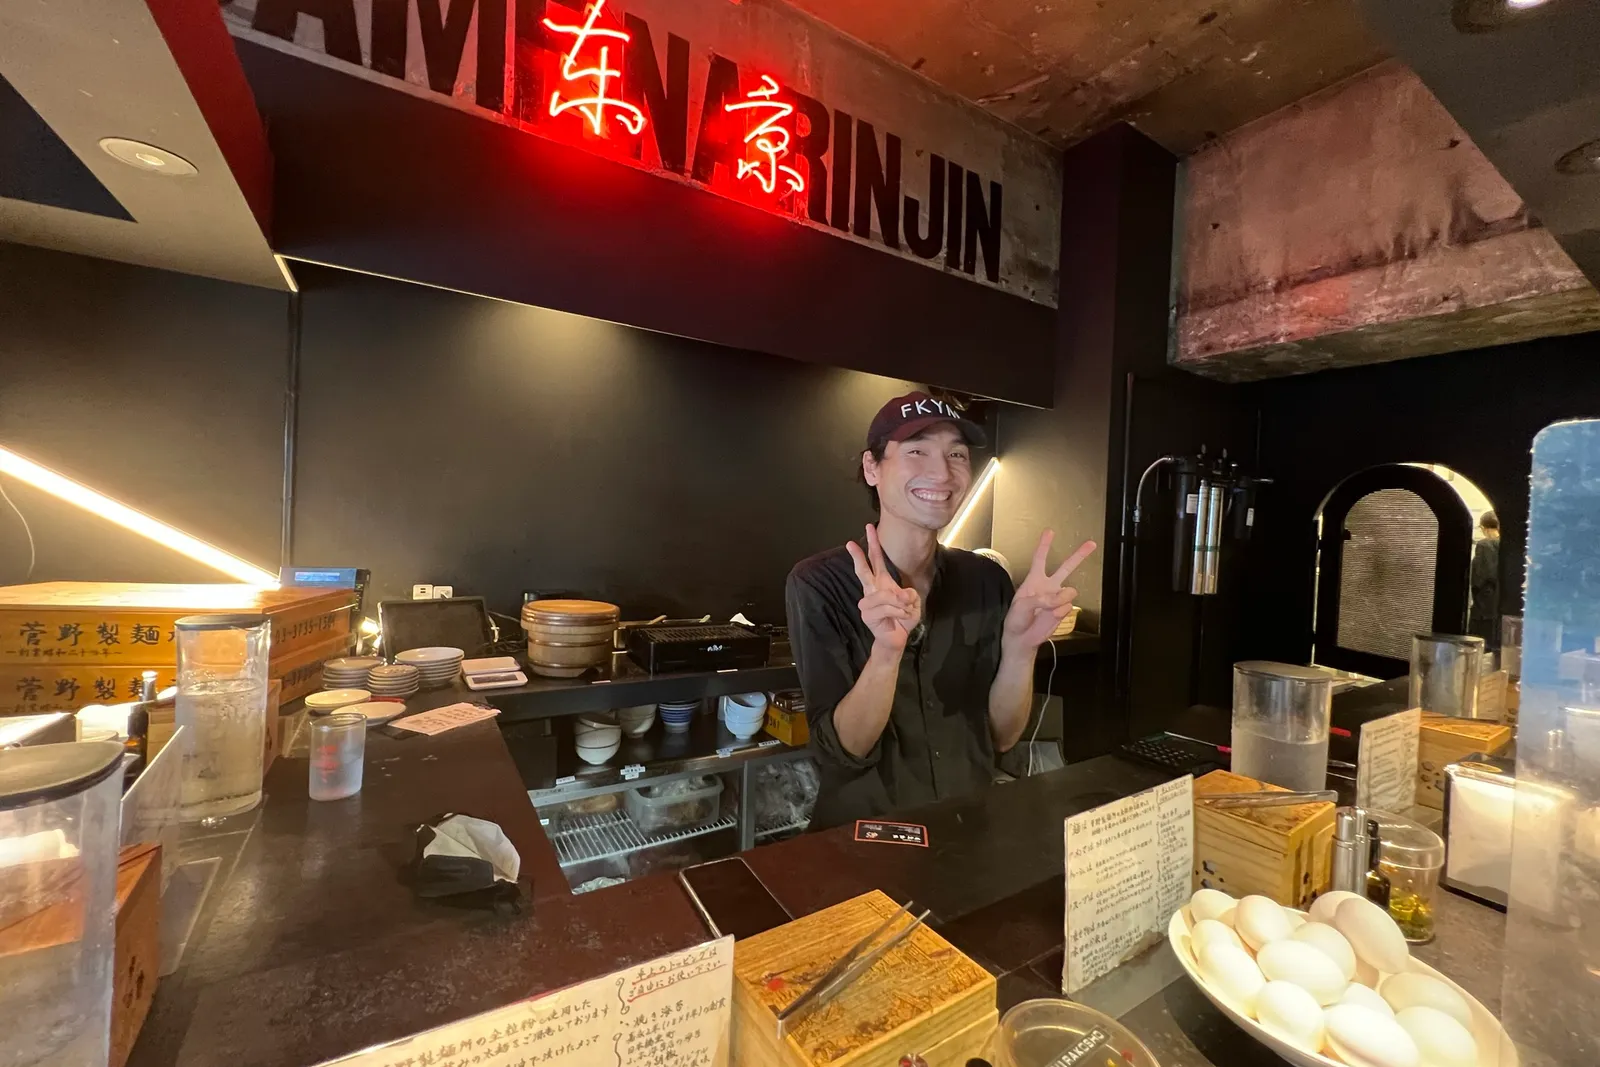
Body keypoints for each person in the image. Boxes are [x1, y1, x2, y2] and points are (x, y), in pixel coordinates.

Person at [785, 391, 1096, 827]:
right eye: (917, 450)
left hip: (967, 824)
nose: (942, 472)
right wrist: (886, 654)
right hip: (866, 835)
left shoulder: (987, 579)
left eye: (957, 454)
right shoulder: (819, 582)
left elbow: (1001, 738)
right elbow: (842, 751)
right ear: (872, 468)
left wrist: (1021, 649)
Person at [1468, 510, 1500, 645]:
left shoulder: (1484, 545)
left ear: (1483, 528)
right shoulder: (1510, 545)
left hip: (1484, 609)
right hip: (1500, 609)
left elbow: (1478, 579)